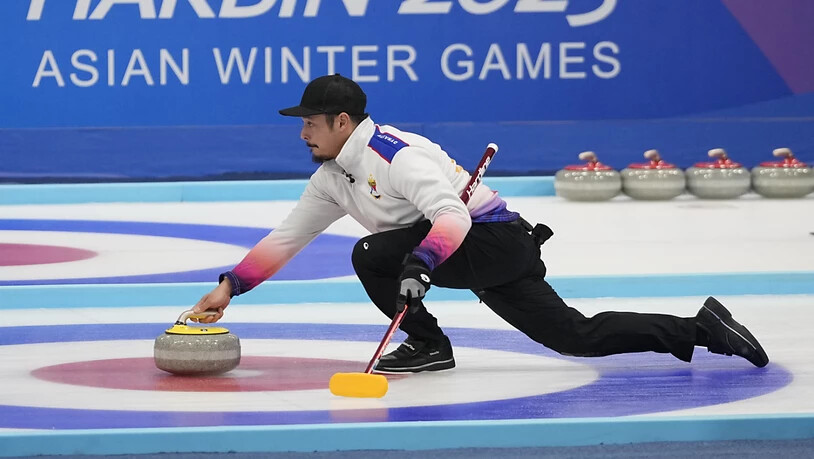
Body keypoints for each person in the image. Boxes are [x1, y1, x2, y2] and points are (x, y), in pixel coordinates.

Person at [192, 73, 769, 373]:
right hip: (469, 255)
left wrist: (419, 263)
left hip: (493, 241)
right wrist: (229, 288)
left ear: (343, 121)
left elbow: (449, 216)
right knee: (576, 337)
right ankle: (702, 328)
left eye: (310, 123)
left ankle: (425, 344)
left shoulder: (397, 155)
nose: (302, 133)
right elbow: (288, 237)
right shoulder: (330, 177)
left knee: (370, 252)